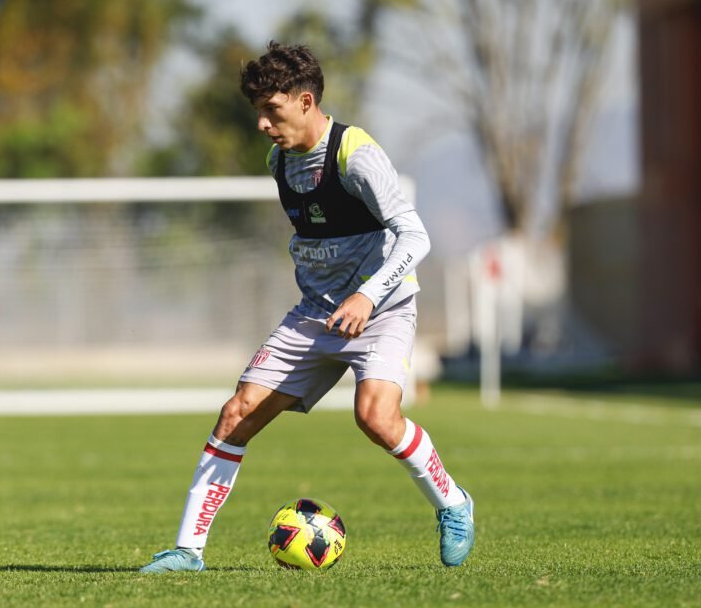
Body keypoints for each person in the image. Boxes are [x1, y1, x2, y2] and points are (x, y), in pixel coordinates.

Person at [141, 42, 474, 573]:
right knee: (236, 414)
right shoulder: (280, 160)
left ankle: (453, 503)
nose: (263, 126)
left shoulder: (356, 156)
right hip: (315, 313)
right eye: (258, 114)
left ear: (304, 101)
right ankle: (187, 550)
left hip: (382, 309)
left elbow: (414, 236)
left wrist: (367, 295)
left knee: (375, 417)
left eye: (271, 111)